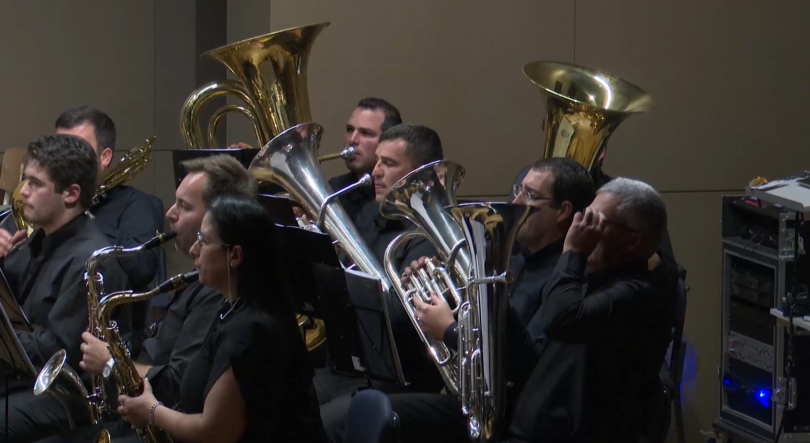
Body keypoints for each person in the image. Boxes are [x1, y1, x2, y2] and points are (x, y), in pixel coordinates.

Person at [383, 158, 596, 443]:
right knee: (374, 406)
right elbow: (479, 324)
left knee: (380, 414)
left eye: (530, 195)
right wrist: (438, 294)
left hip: (506, 417)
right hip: (476, 403)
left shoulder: (564, 280)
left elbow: (532, 368)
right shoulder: (517, 260)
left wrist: (448, 331)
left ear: (564, 211)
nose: (515, 201)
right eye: (517, 190)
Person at [76, 155, 257, 423]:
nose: (169, 213)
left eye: (183, 207)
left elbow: (176, 388)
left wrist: (111, 363)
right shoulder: (198, 279)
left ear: (219, 218)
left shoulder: (217, 290)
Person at [502, 177, 676, 442]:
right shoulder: (589, 281)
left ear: (633, 242)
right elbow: (535, 353)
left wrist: (573, 251)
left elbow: (561, 320)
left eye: (595, 222)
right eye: (583, 218)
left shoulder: (636, 296)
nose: (578, 227)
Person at [317, 123, 446, 441]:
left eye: (388, 163)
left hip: (395, 378)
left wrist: (345, 286)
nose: (375, 172)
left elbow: (402, 318)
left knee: (314, 421)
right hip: (350, 367)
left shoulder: (429, 236)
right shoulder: (368, 218)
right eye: (377, 161)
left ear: (423, 173)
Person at [0, 135, 129, 443]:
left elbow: (54, 350)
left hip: (67, 396)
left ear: (71, 194)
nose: (23, 192)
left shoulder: (92, 260)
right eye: (23, 181)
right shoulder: (36, 240)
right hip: (23, 380)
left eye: (35, 183)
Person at [328, 98, 402, 222]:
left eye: (365, 133)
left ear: (388, 141)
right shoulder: (333, 188)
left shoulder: (396, 196)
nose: (352, 139)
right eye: (349, 130)